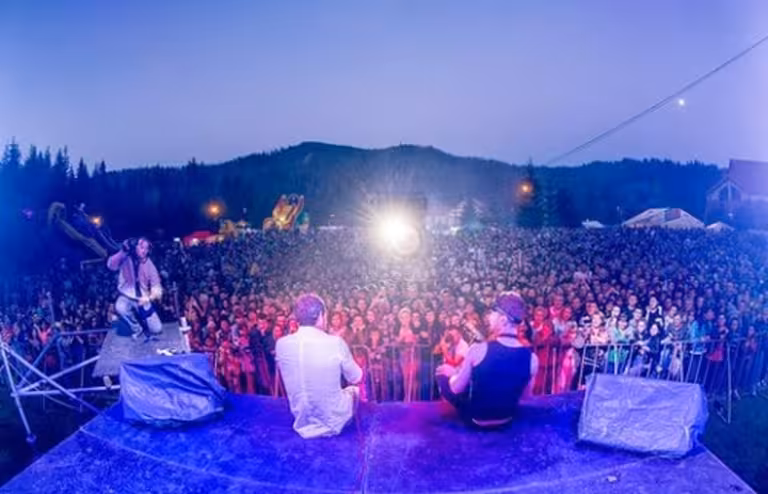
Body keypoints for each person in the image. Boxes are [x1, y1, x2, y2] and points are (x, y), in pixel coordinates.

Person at [435, 291, 538, 427]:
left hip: (476, 419)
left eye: (493, 313)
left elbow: (456, 389)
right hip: (507, 419)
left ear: (503, 320)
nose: (489, 317)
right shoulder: (532, 359)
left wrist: (453, 373)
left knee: (443, 374)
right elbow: (526, 396)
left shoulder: (478, 349)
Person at [276, 293, 363, 439]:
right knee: (355, 390)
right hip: (334, 422)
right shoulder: (335, 343)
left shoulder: (281, 344)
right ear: (321, 316)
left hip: (301, 420)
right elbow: (356, 377)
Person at [107, 237, 163, 340]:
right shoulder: (125, 258)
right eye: (141, 247)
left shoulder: (149, 265)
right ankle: (136, 328)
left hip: (142, 298)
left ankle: (143, 320)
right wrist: (122, 251)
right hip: (126, 295)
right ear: (136, 247)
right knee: (120, 306)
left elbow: (157, 287)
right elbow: (110, 265)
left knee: (157, 329)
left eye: (146, 249)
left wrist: (149, 298)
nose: (144, 251)